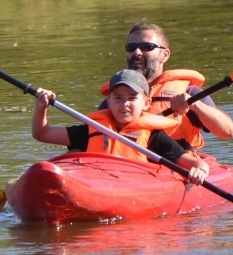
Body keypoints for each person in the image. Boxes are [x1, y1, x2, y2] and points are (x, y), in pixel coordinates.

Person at [35, 68, 211, 184]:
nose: (124, 104)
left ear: (146, 103)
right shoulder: (92, 129)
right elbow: (42, 133)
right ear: (109, 102)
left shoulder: (154, 137)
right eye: (118, 98)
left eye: (132, 98)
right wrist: (41, 108)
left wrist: (200, 172)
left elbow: (196, 163)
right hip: (95, 183)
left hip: (131, 186)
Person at [103, 22, 233, 146]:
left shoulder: (190, 92)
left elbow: (228, 132)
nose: (137, 52)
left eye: (147, 47)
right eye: (131, 48)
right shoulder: (114, 99)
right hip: (128, 163)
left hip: (175, 162)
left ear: (164, 55)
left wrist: (195, 105)